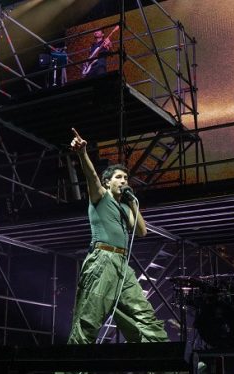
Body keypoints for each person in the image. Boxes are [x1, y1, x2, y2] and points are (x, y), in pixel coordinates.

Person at [66, 128, 169, 344]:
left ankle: (164, 359)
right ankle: (74, 364)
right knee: (89, 319)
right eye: (118, 177)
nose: (124, 181)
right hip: (102, 261)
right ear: (107, 182)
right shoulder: (100, 197)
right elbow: (92, 176)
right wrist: (82, 153)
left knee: (144, 315)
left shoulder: (126, 207)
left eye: (126, 178)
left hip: (122, 266)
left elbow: (141, 231)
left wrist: (131, 200)